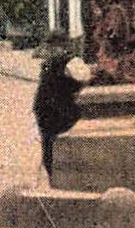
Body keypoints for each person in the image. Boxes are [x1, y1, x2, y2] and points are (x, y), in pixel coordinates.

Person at [33, 54, 91, 183]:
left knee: (53, 144)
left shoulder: (71, 68)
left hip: (52, 109)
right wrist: (75, 115)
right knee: (50, 145)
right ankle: (54, 176)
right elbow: (56, 102)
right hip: (48, 113)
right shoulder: (53, 82)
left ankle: (56, 173)